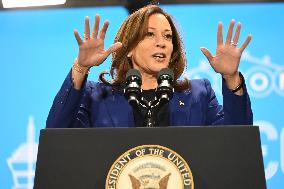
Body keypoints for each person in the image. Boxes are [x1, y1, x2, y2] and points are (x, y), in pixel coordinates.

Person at [46, 5, 253, 128]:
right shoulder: (96, 96)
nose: (161, 42)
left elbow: (236, 141)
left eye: (168, 36)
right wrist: (80, 67)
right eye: (149, 34)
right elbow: (57, 132)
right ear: (128, 48)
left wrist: (231, 77)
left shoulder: (198, 93)